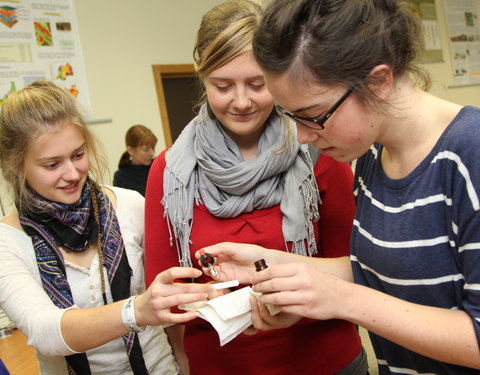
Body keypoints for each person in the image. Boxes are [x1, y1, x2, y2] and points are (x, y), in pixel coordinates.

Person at [199, 0, 480, 373]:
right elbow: (381, 270)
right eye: (291, 116)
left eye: (314, 116)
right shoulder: (372, 153)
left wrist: (343, 300)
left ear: (378, 82)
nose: (300, 136)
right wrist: (274, 266)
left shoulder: (469, 155)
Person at [144, 1, 367, 374]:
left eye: (257, 84)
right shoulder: (170, 172)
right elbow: (164, 293)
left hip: (326, 361)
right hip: (221, 364)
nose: (242, 101)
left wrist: (292, 304)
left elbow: (359, 270)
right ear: (202, 78)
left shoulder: (319, 151)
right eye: (223, 85)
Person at [0, 81, 213, 374]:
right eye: (52, 165)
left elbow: (167, 308)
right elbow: (45, 331)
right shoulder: (7, 242)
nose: (73, 173)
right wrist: (136, 310)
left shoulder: (129, 205)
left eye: (78, 155)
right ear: (15, 165)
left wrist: (185, 363)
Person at [113, 124, 157, 196]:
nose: (152, 153)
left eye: (153, 148)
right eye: (146, 150)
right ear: (130, 150)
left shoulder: (158, 168)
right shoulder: (120, 177)